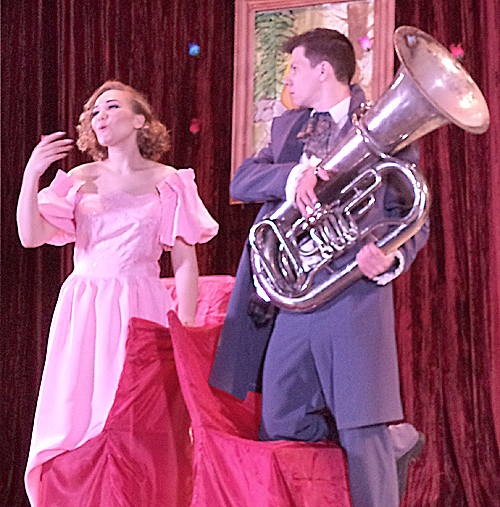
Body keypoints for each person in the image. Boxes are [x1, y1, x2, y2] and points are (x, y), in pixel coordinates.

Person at [209, 29, 428, 506]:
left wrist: (390, 256)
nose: (288, 78)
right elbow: (242, 180)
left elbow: (413, 214)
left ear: (323, 70)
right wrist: (294, 176)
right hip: (296, 299)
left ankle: (380, 445)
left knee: (361, 429)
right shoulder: (286, 129)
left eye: (294, 68)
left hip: (353, 293)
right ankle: (387, 443)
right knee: (281, 419)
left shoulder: (384, 124)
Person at [17, 81, 219, 506]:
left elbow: (185, 261)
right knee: (78, 410)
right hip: (85, 305)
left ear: (140, 119)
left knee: (133, 413)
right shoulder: (79, 179)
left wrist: (185, 327)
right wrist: (32, 174)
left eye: (111, 106)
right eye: (94, 111)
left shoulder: (169, 181)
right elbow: (31, 236)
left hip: (141, 302)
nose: (100, 116)